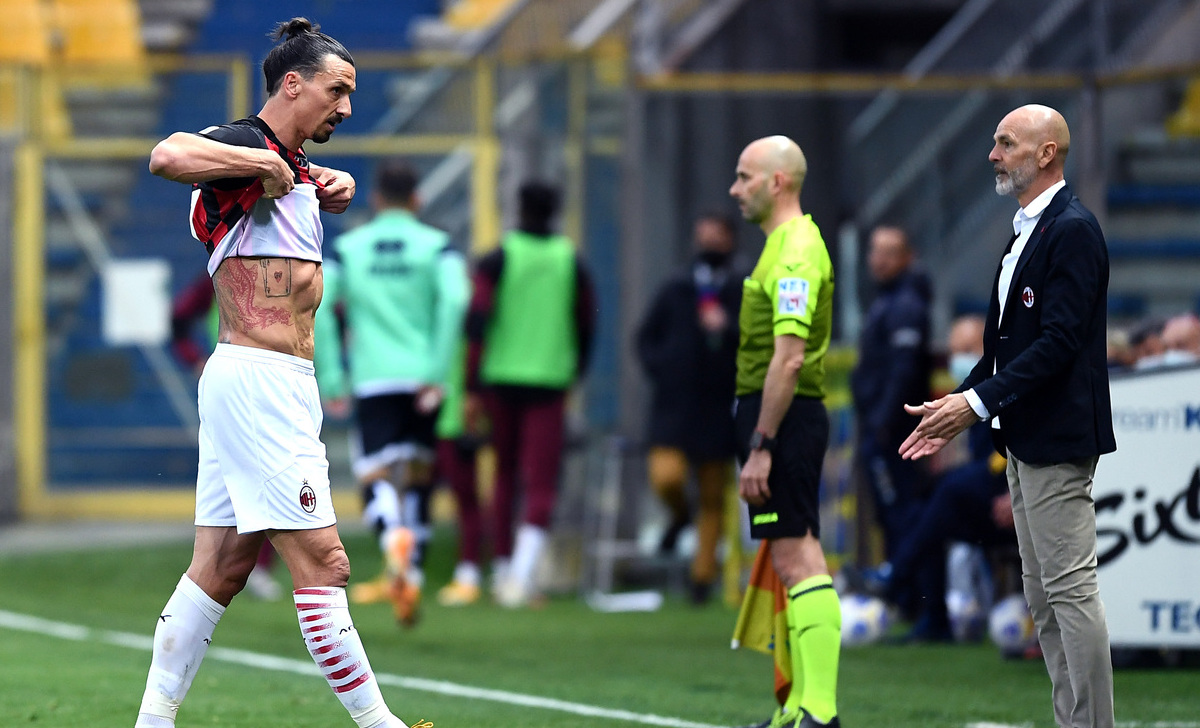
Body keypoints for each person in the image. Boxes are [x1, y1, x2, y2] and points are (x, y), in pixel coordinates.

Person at [136, 18, 430, 728]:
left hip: (270, 382)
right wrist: (265, 165)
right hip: (259, 381)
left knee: (222, 568)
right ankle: (381, 725)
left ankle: (152, 722)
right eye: (337, 91)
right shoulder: (246, 144)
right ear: (292, 84)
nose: (347, 107)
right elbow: (167, 155)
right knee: (326, 564)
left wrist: (313, 180)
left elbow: (278, 198)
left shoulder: (289, 164)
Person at [900, 104, 1117, 728]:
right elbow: (1004, 349)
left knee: (1069, 590)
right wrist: (958, 401)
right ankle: (1073, 720)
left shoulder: (1072, 230)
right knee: (1043, 597)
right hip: (1023, 439)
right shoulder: (1029, 229)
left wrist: (974, 404)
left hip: (1057, 438)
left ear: (1046, 153)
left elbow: (1058, 343)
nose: (993, 155)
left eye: (1006, 143)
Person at [313, 158, 470, 626]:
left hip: (374, 377)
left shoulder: (350, 248)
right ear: (417, 200)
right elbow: (457, 298)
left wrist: (332, 376)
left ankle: (391, 542)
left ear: (377, 200)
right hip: (423, 376)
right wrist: (438, 370)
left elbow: (319, 301)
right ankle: (412, 574)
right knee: (418, 476)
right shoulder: (438, 246)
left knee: (375, 475)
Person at [729, 136, 841, 728]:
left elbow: (790, 358)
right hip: (779, 418)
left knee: (798, 556)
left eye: (744, 177)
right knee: (788, 555)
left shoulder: (796, 251)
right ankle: (796, 709)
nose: (735, 189)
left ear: (777, 182)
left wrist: (763, 445)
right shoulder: (784, 244)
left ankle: (819, 712)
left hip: (784, 421)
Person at [464, 179, 597, 608]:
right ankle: (521, 578)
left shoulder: (499, 258)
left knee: (504, 474)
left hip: (501, 379)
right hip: (549, 382)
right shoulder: (570, 260)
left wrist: (471, 387)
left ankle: (503, 569)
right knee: (541, 481)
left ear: (517, 208)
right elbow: (586, 323)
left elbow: (477, 321)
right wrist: (575, 369)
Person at [868, 314, 1015, 642]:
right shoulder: (972, 393)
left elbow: (1005, 457)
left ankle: (894, 577)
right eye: (954, 351)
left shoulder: (1008, 386)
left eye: (967, 349)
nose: (959, 358)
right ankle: (933, 618)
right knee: (927, 506)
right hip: (988, 503)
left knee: (948, 491)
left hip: (1013, 499)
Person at [634, 211, 742, 605]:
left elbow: (757, 339)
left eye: (717, 236)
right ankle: (680, 515)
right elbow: (645, 338)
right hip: (675, 403)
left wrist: (727, 329)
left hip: (717, 402)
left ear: (730, 240)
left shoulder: (742, 288)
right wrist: (664, 368)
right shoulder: (676, 287)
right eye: (704, 236)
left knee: (714, 495)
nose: (709, 244)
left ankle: (702, 576)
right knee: (666, 476)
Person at [170, 271, 282, 602]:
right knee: (249, 476)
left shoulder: (279, 273)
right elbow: (178, 319)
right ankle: (230, 564)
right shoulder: (219, 276)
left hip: (271, 383)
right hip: (233, 385)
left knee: (265, 477)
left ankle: (250, 565)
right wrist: (195, 360)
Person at [850, 224, 933, 564]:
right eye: (875, 251)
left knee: (900, 509)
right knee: (889, 511)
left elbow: (904, 371)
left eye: (889, 253)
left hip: (895, 430)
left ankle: (905, 583)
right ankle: (897, 579)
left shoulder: (905, 305)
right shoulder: (886, 300)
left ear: (908, 257)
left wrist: (883, 422)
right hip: (883, 425)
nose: (879, 260)